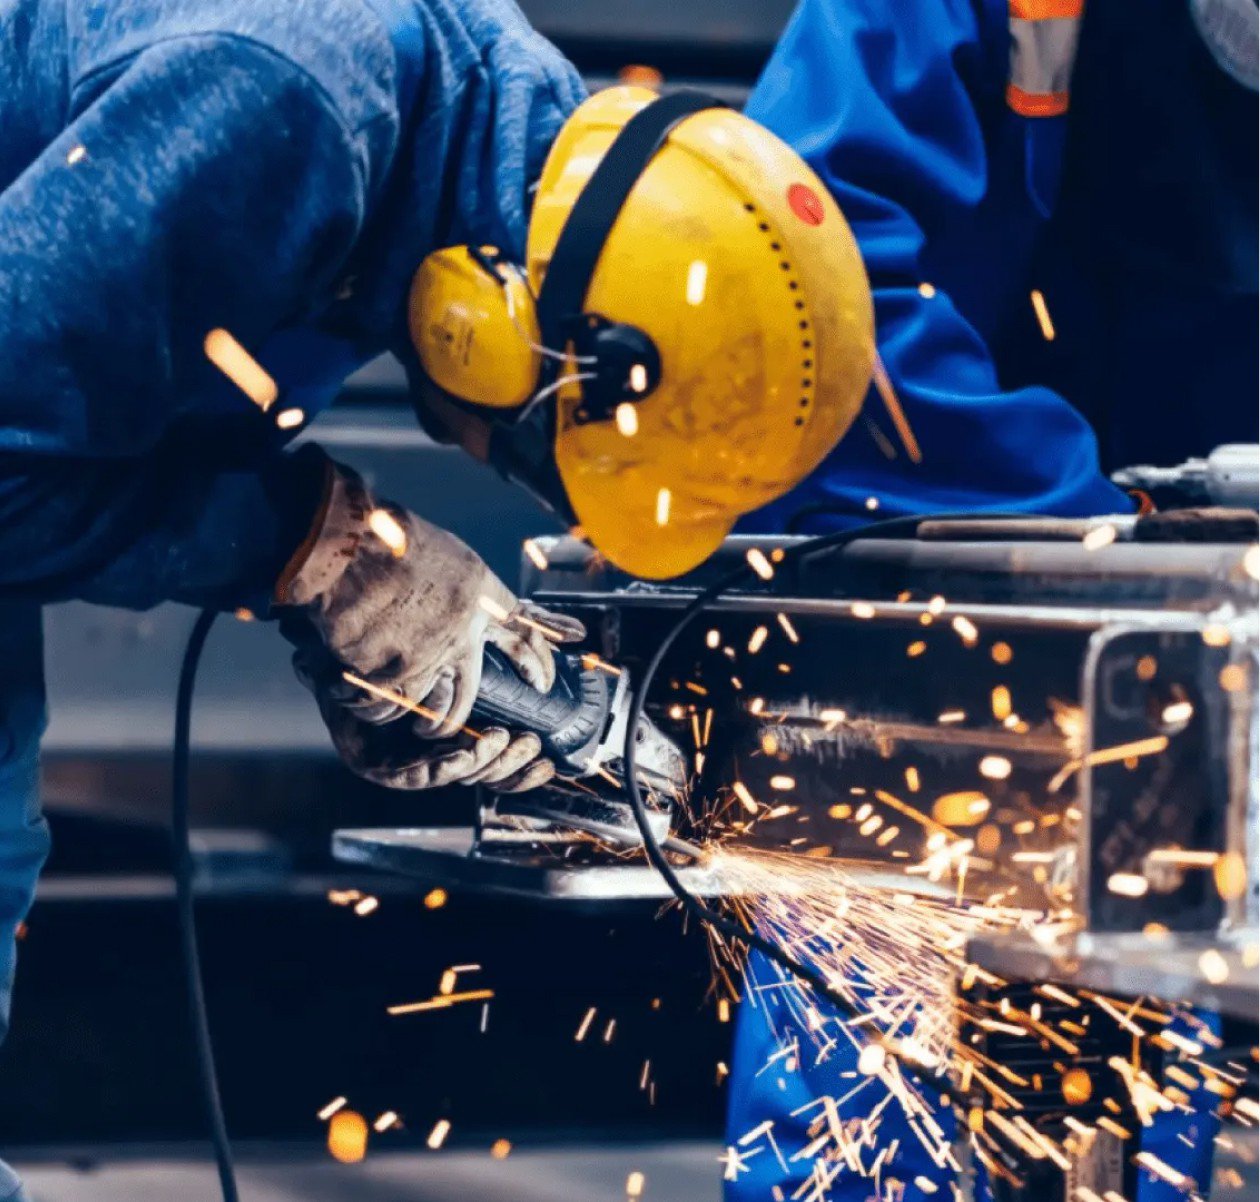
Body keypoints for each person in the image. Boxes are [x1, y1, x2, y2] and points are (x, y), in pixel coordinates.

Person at [0, 1, 884, 1193]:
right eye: (538, 456)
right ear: (491, 326)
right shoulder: (284, 106)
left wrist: (324, 585)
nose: (508, 471)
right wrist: (317, 548)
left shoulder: (491, 151)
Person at [727, 0, 1257, 1198]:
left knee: (1168, 1119)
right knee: (873, 1096)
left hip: (1216, 693)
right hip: (941, 668)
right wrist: (1101, 536)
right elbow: (796, 286)